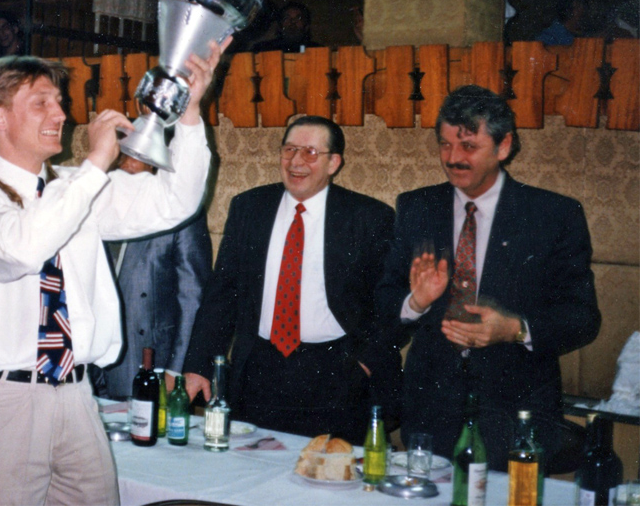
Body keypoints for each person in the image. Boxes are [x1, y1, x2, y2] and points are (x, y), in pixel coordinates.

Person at [0, 37, 227, 505]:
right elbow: (25, 248)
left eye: (60, 102)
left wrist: (191, 113)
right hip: (4, 400)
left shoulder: (73, 187)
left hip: (75, 395)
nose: (61, 115)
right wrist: (96, 161)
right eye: (41, 103)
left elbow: (176, 202)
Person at [376, 85, 600, 470]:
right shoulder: (416, 207)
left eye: (468, 146)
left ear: (503, 146)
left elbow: (583, 318)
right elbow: (384, 301)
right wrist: (416, 302)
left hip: (516, 408)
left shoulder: (554, 215)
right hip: (431, 405)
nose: (453, 159)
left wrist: (514, 329)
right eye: (445, 145)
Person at [182, 115, 400, 442]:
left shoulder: (368, 218)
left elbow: (390, 303)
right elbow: (221, 294)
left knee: (329, 481)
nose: (296, 161)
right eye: (289, 150)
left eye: (310, 153)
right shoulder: (249, 208)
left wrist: (364, 365)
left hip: (336, 371)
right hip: (258, 368)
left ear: (333, 162)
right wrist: (198, 363)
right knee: (251, 475)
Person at [100, 154, 212, 398]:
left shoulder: (181, 212)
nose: (125, 164)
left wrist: (176, 370)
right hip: (90, 361)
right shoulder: (94, 205)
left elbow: (193, 297)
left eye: (136, 156)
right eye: (119, 155)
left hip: (148, 361)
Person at [253, 2, 322, 53]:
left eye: (298, 18)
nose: (292, 22)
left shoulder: (318, 51)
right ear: (280, 25)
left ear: (306, 26)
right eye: (287, 18)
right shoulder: (262, 49)